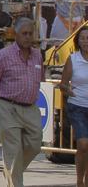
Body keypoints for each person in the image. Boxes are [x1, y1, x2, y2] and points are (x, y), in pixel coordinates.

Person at [0, 17, 43, 187]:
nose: (28, 37)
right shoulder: (2, 56)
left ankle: (12, 169)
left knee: (35, 145)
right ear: (16, 34)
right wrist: (3, 104)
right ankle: (14, 177)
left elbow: (39, 79)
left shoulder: (37, 56)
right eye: (24, 33)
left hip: (31, 108)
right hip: (8, 107)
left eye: (30, 33)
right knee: (13, 151)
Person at [61, 25, 88, 187]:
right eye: (82, 39)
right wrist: (69, 91)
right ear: (78, 41)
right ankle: (79, 180)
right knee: (84, 144)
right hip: (77, 106)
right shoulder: (73, 59)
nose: (86, 42)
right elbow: (63, 84)